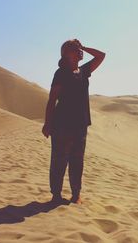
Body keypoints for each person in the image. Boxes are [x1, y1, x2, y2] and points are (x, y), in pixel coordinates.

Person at [42, 39, 105, 204]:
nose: (80, 51)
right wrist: (47, 123)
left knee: (77, 162)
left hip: (80, 125)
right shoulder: (60, 73)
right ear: (68, 53)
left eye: (79, 49)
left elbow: (101, 56)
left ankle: (76, 195)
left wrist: (83, 46)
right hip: (62, 125)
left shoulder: (84, 71)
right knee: (58, 162)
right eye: (76, 49)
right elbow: (52, 99)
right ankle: (56, 195)